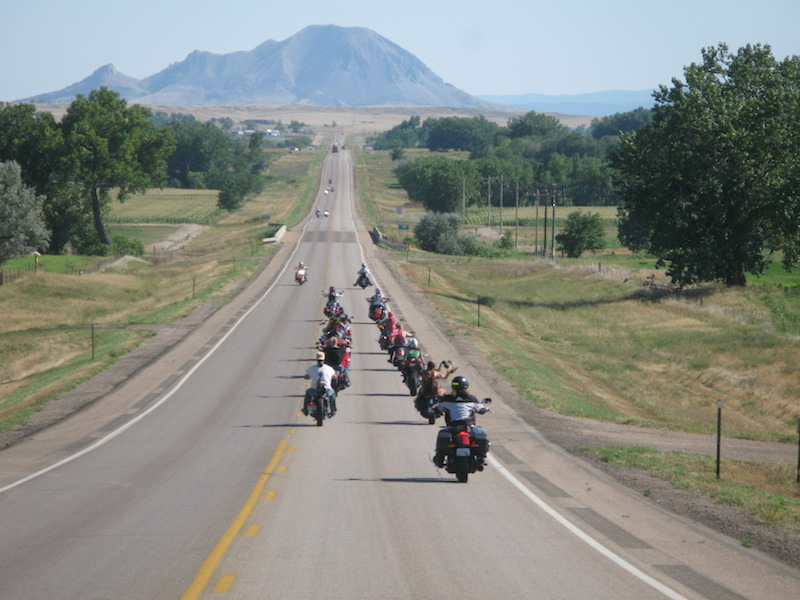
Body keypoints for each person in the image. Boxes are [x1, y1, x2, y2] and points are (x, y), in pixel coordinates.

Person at [432, 376, 489, 467]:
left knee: (442, 435)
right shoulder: (471, 399)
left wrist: (434, 410)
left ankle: (440, 457)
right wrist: (486, 409)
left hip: (452, 427)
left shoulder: (447, 399)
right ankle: (481, 457)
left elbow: (437, 409)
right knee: (482, 435)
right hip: (469, 427)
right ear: (466, 386)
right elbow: (481, 410)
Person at [303, 351, 337, 417]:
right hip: (326, 390)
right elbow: (334, 376)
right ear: (324, 360)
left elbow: (306, 376)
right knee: (332, 393)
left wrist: (308, 376)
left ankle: (305, 410)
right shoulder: (329, 368)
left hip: (314, 390)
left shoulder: (312, 368)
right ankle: (333, 410)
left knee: (308, 393)